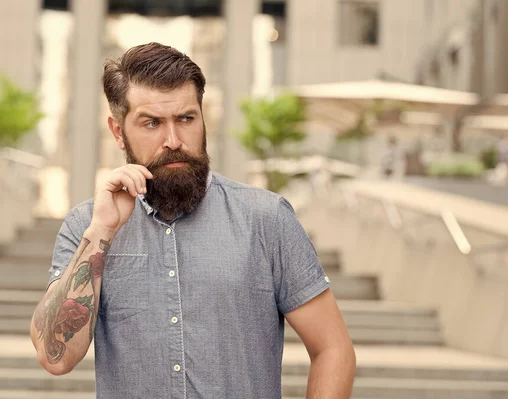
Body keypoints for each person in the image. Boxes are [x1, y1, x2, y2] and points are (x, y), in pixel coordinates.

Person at [30, 42, 356, 398]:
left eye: (186, 119)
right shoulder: (86, 227)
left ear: (203, 118)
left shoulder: (267, 219)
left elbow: (333, 349)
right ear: (118, 131)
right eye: (152, 123)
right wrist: (102, 232)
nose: (173, 140)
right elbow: (54, 356)